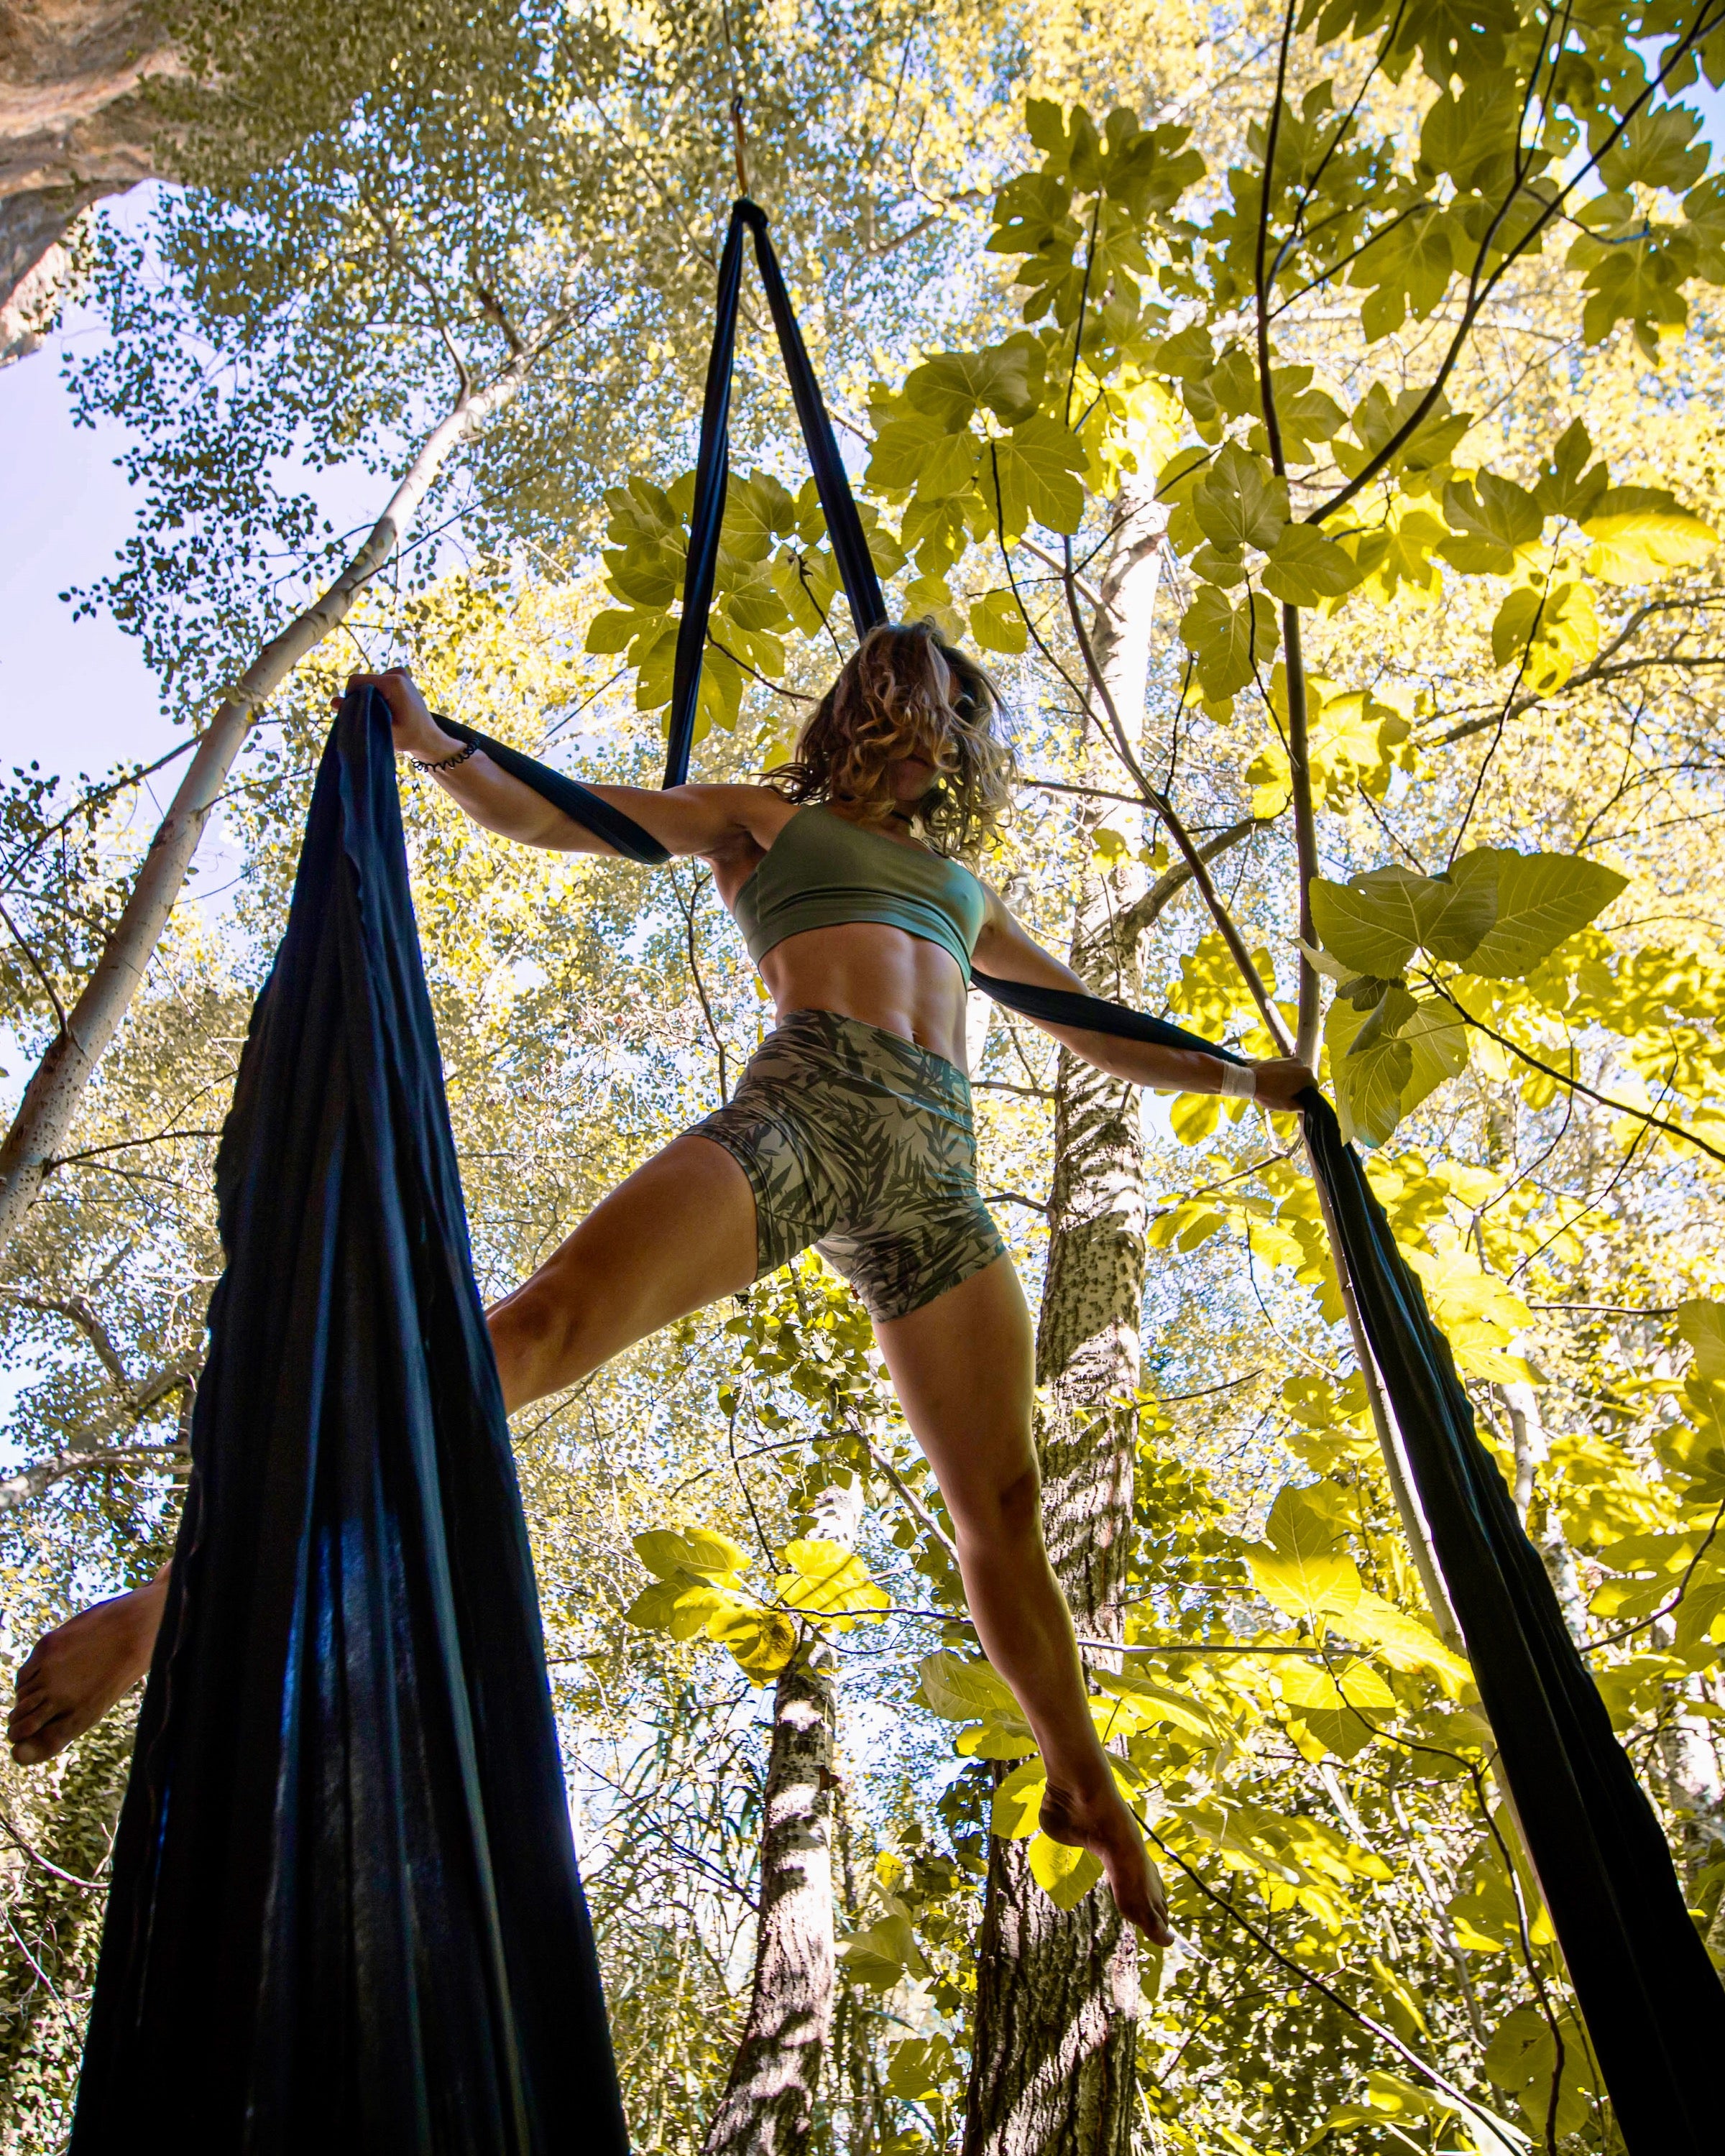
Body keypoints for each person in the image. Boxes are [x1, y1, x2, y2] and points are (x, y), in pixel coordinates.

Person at [9, 622, 1312, 1940]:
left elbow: (1093, 1021)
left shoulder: (963, 890)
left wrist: (1243, 1078)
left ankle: (1081, 1775)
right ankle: (172, 1608)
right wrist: (439, 745)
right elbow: (577, 817)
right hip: (805, 1113)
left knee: (1008, 1501)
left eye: (964, 721)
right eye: (930, 707)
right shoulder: (762, 821)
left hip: (941, 1190)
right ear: (875, 709)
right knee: (535, 1330)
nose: (946, 738)